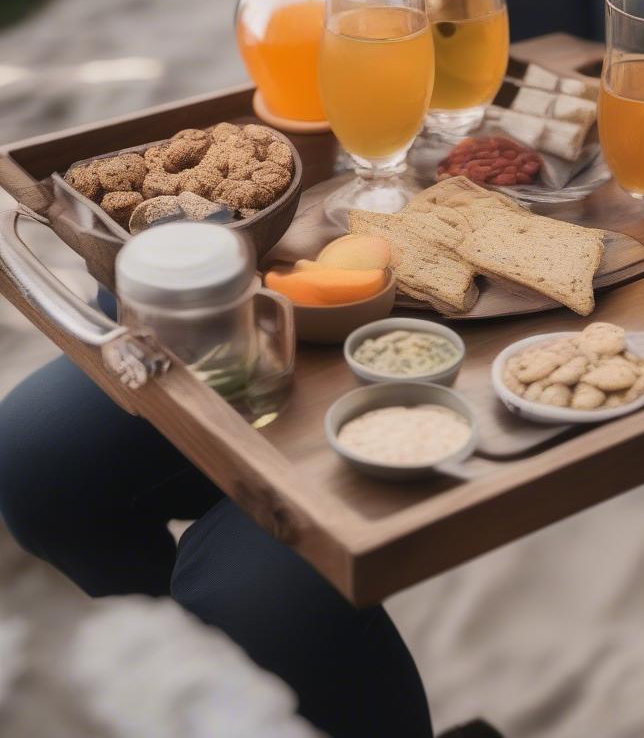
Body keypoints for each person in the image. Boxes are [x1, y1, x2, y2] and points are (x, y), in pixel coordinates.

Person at [0, 292, 434, 738]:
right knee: (34, 461)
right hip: (253, 293)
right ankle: (188, 676)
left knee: (249, 597)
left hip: (434, 334)